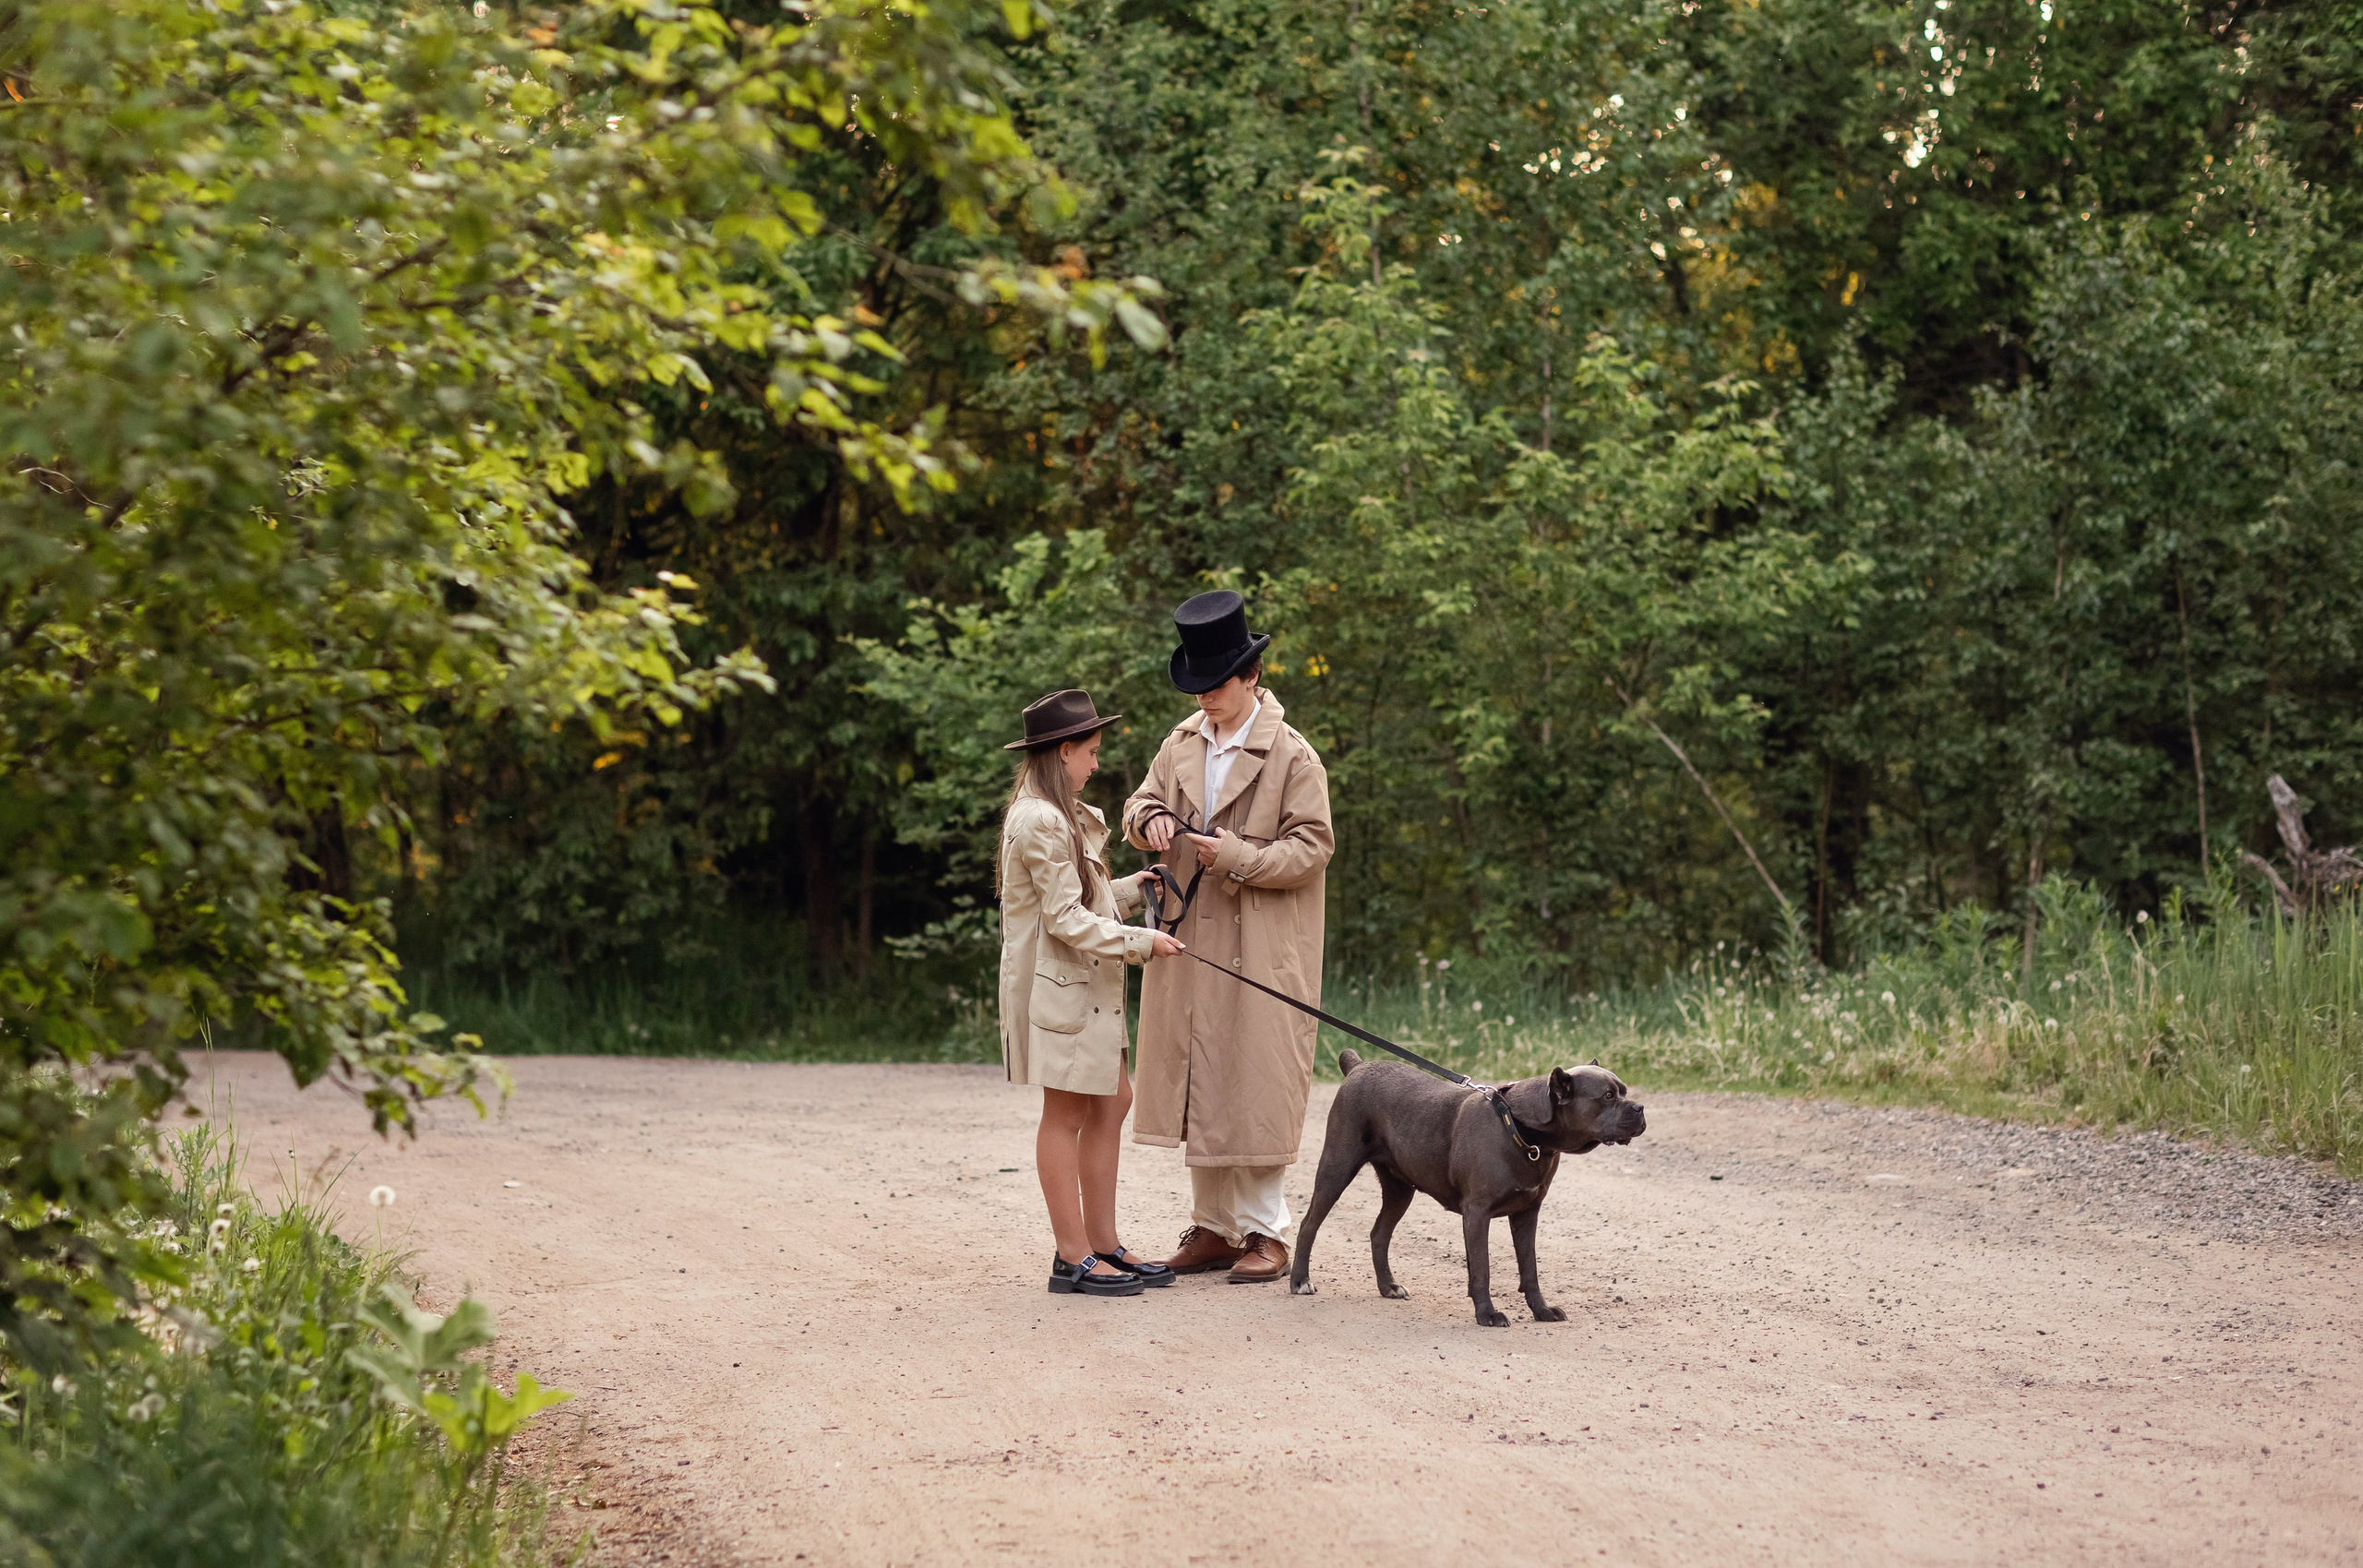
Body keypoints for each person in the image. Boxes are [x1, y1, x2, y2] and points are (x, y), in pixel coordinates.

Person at [1122, 591, 1336, 1283]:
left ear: (1250, 676)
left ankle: (1266, 1232)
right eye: (1198, 687)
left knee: (1256, 1077)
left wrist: (1237, 854)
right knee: (1201, 1076)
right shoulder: (1181, 741)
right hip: (1192, 941)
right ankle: (1213, 1227)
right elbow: (1138, 801)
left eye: (1216, 686)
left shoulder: (1294, 756)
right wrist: (1148, 820)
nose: (1206, 698)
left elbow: (1314, 848)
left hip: (1263, 945)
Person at [999, 688, 1188, 1298]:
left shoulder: (1063, 813)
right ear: (1063, 751)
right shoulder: (1040, 821)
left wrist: (1136, 885)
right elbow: (1063, 918)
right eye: (1091, 752)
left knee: (1111, 1099)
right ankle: (1072, 1255)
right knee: (1067, 1111)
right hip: (1061, 987)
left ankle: (1104, 1242)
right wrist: (1142, 942)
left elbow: (1085, 900)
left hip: (1083, 984)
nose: (1096, 763)